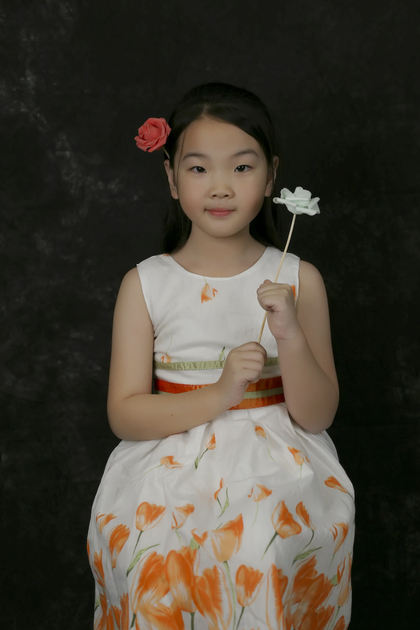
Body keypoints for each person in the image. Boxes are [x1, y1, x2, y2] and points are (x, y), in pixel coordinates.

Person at [87, 82, 354, 630]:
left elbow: (318, 415)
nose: (221, 187)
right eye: (199, 168)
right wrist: (220, 393)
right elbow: (125, 413)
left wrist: (290, 336)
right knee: (158, 543)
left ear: (271, 176)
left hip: (277, 471)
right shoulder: (146, 284)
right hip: (168, 470)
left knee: (260, 536)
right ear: (171, 177)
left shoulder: (297, 279)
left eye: (242, 167)